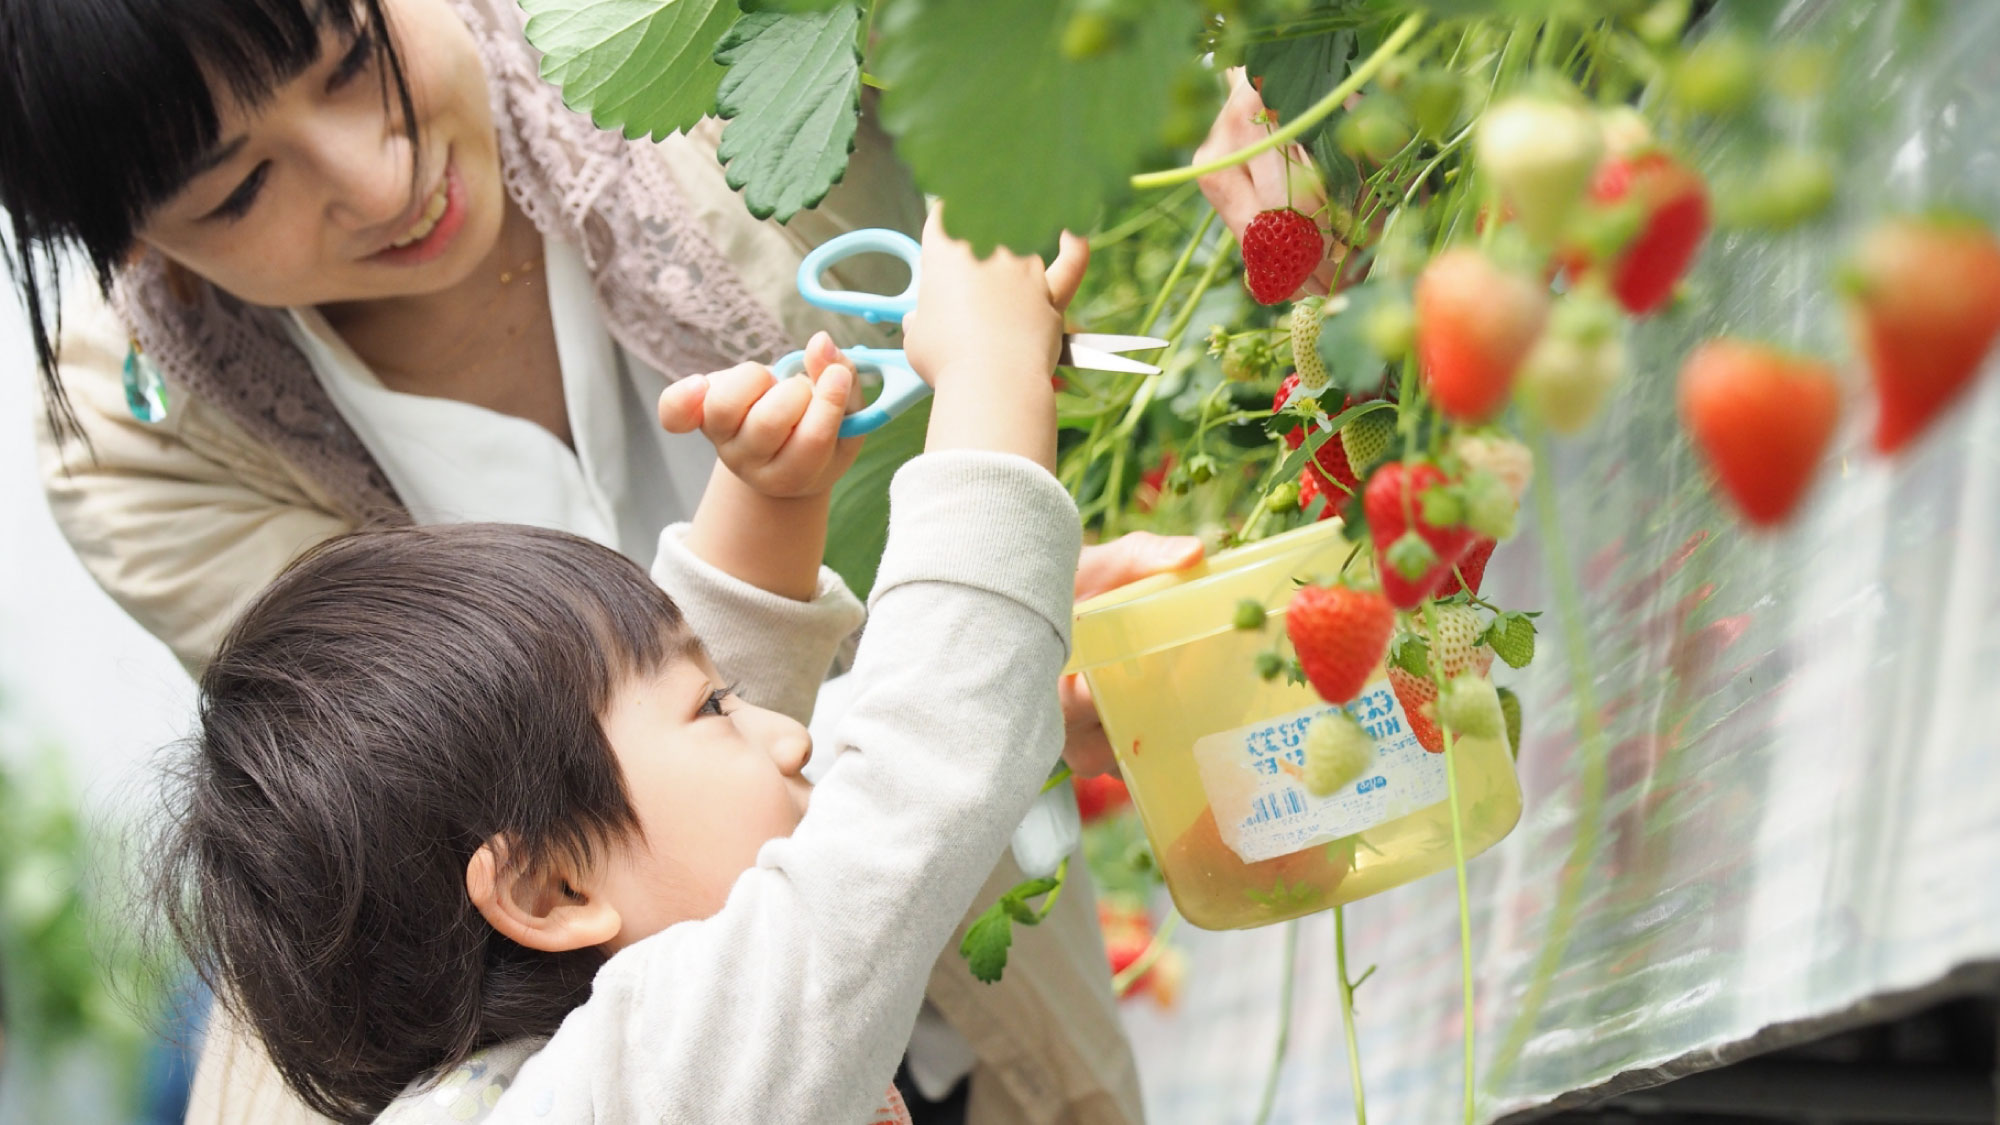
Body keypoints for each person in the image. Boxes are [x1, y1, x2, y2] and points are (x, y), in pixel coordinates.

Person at [0, 0, 1198, 1119]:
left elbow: (622, 800)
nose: (376, 178)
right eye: (242, 186)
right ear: (129, 247)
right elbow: (825, 814)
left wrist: (966, 659)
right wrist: (987, 447)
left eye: (358, 62)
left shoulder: (678, 38)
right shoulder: (141, 447)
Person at [159, 210, 1090, 1125]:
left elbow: (656, 793)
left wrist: (771, 501)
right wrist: (991, 373)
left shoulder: (536, 1081)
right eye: (718, 703)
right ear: (547, 892)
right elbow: (913, 790)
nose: (791, 731)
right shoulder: (670, 1081)